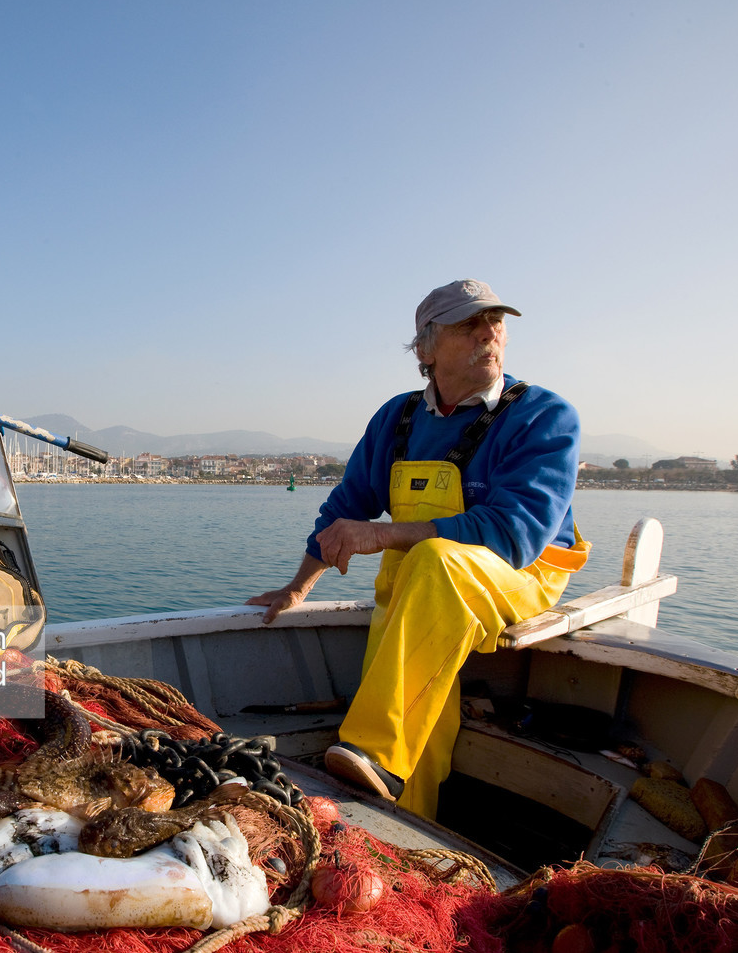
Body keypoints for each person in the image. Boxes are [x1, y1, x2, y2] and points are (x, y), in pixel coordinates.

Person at [247, 280, 589, 819]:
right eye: (468, 324)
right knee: (415, 694)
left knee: (434, 563)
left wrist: (384, 535)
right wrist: (298, 588)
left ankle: (377, 752)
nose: (488, 334)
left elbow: (516, 534)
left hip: (524, 574)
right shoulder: (398, 418)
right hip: (420, 580)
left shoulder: (543, 415)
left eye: (496, 322)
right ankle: (410, 826)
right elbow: (344, 509)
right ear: (426, 348)